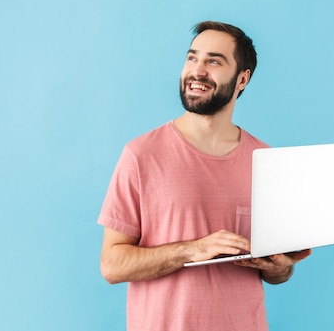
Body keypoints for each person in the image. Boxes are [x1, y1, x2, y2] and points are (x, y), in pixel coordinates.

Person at [97, 21, 311, 331]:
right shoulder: (141, 154)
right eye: (192, 58)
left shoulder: (267, 161)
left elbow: (278, 274)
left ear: (242, 79)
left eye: (213, 61)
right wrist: (193, 249)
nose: (197, 70)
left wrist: (279, 267)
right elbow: (111, 266)